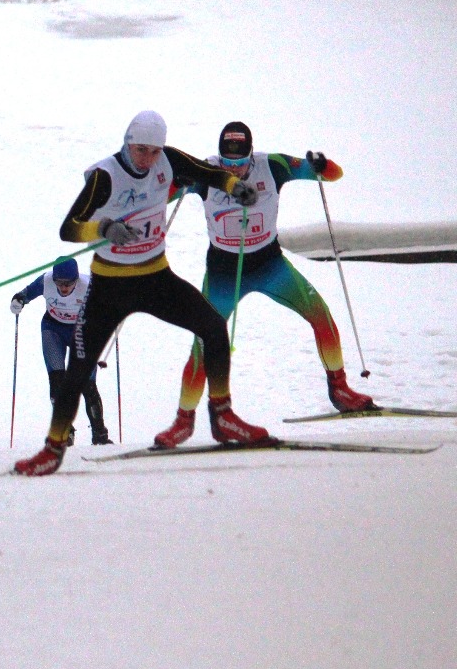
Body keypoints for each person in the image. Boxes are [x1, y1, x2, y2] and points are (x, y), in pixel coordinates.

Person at [14, 110, 270, 477]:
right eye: (140, 149)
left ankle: (222, 416)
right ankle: (53, 449)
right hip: (109, 286)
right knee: (78, 372)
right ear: (127, 143)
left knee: (214, 328)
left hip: (155, 278)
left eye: (153, 150)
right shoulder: (105, 176)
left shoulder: (167, 160)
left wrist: (234, 187)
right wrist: (104, 227)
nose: (146, 158)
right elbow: (69, 229)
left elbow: (207, 172)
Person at [152, 122, 376, 447]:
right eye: (227, 164)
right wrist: (176, 184)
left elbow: (332, 175)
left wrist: (321, 165)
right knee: (204, 345)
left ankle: (340, 388)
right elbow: (160, 197)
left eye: (240, 163)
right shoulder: (206, 171)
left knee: (320, 314)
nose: (234, 170)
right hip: (223, 275)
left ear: (250, 155)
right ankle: (184, 422)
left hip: (270, 265)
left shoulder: (273, 166)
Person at [10, 258, 112, 445]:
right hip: (53, 330)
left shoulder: (88, 285)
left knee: (87, 386)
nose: (64, 288)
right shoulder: (46, 280)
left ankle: (100, 436)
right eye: (60, 283)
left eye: (69, 284)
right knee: (57, 384)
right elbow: (24, 294)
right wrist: (18, 301)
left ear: (76, 280)